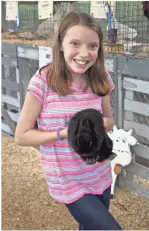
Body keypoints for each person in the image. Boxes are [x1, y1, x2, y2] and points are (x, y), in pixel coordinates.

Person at [15, 12, 122, 230]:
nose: (84, 53)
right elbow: (21, 136)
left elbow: (109, 120)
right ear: (61, 44)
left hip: (100, 172)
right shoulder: (44, 81)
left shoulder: (101, 78)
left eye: (92, 46)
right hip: (68, 180)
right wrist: (64, 133)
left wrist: (96, 123)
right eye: (75, 43)